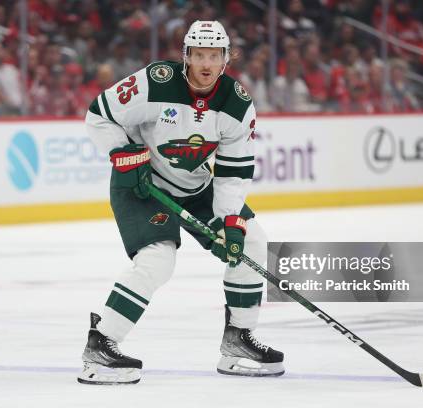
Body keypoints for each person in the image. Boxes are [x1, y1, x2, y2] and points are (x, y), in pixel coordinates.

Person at [80, 20, 284, 385]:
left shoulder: (237, 105)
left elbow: (233, 174)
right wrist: (122, 153)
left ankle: (238, 340)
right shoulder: (155, 81)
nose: (206, 64)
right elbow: (99, 115)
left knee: (252, 239)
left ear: (226, 59)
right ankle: (102, 342)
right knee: (158, 257)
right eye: (199, 55)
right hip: (142, 184)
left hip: (198, 186)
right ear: (186, 56)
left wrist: (229, 223)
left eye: (215, 55)